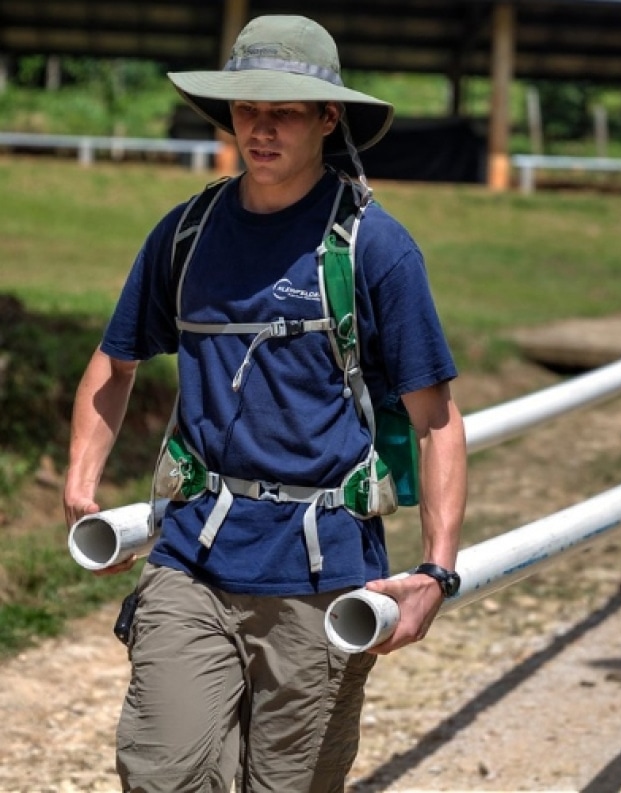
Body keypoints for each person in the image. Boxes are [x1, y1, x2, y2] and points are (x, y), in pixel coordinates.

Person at [63, 14, 467, 793]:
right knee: (160, 772)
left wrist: (435, 573)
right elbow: (114, 365)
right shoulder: (185, 233)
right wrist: (83, 481)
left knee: (288, 784)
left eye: (284, 109)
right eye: (248, 108)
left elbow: (436, 421)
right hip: (191, 559)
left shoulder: (373, 248)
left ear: (328, 117)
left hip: (321, 577)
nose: (262, 126)